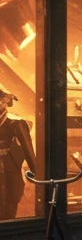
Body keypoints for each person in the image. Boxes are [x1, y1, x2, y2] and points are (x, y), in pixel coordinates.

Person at [0, 88, 36, 220]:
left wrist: (36, 171)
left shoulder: (16, 123)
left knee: (8, 209)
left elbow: (28, 149)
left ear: (4, 103)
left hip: (9, 174)